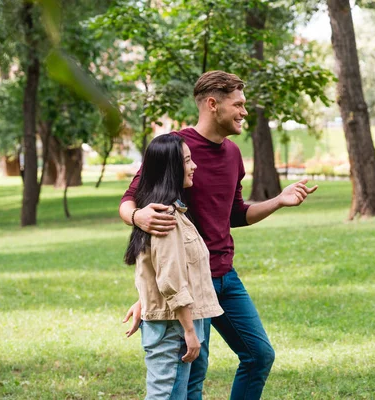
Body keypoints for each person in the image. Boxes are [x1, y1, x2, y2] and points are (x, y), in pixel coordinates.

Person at [119, 70, 318, 400]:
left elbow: (236, 214)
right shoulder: (176, 148)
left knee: (259, 355)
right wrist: (138, 216)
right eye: (238, 104)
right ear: (213, 104)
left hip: (226, 276)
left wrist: (279, 201)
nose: (244, 112)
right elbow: (130, 198)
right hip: (192, 280)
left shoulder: (232, 154)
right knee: (193, 373)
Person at [124, 134, 224, 399]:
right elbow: (170, 280)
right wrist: (189, 332)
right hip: (175, 327)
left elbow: (160, 270)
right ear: (172, 169)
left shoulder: (171, 213)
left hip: (177, 323)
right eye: (188, 161)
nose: (194, 167)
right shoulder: (164, 219)